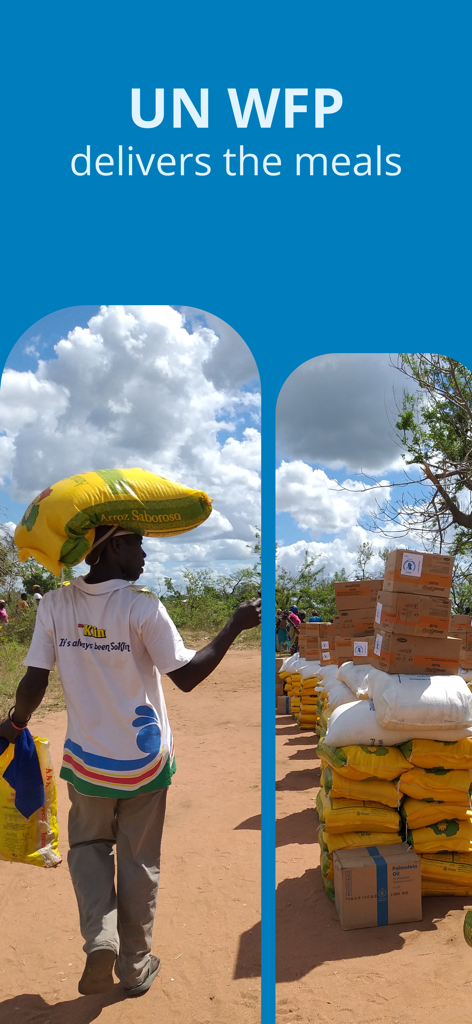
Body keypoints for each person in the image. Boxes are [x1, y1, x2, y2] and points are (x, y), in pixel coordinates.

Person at [0, 525, 261, 998]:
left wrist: (15, 722)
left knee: (87, 849)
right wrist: (233, 627)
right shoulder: (142, 605)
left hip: (86, 763)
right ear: (114, 545)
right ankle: (135, 964)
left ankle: (101, 938)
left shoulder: (55, 604)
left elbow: (35, 679)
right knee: (139, 861)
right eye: (138, 543)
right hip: (144, 765)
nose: (144, 554)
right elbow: (186, 675)